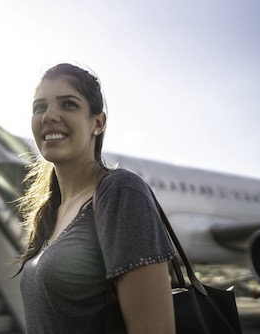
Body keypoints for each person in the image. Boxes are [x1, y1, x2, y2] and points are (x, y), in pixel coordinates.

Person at [17, 63, 176, 333]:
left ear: (98, 122)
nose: (49, 115)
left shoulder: (120, 192)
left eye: (68, 104)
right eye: (39, 106)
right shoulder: (48, 211)